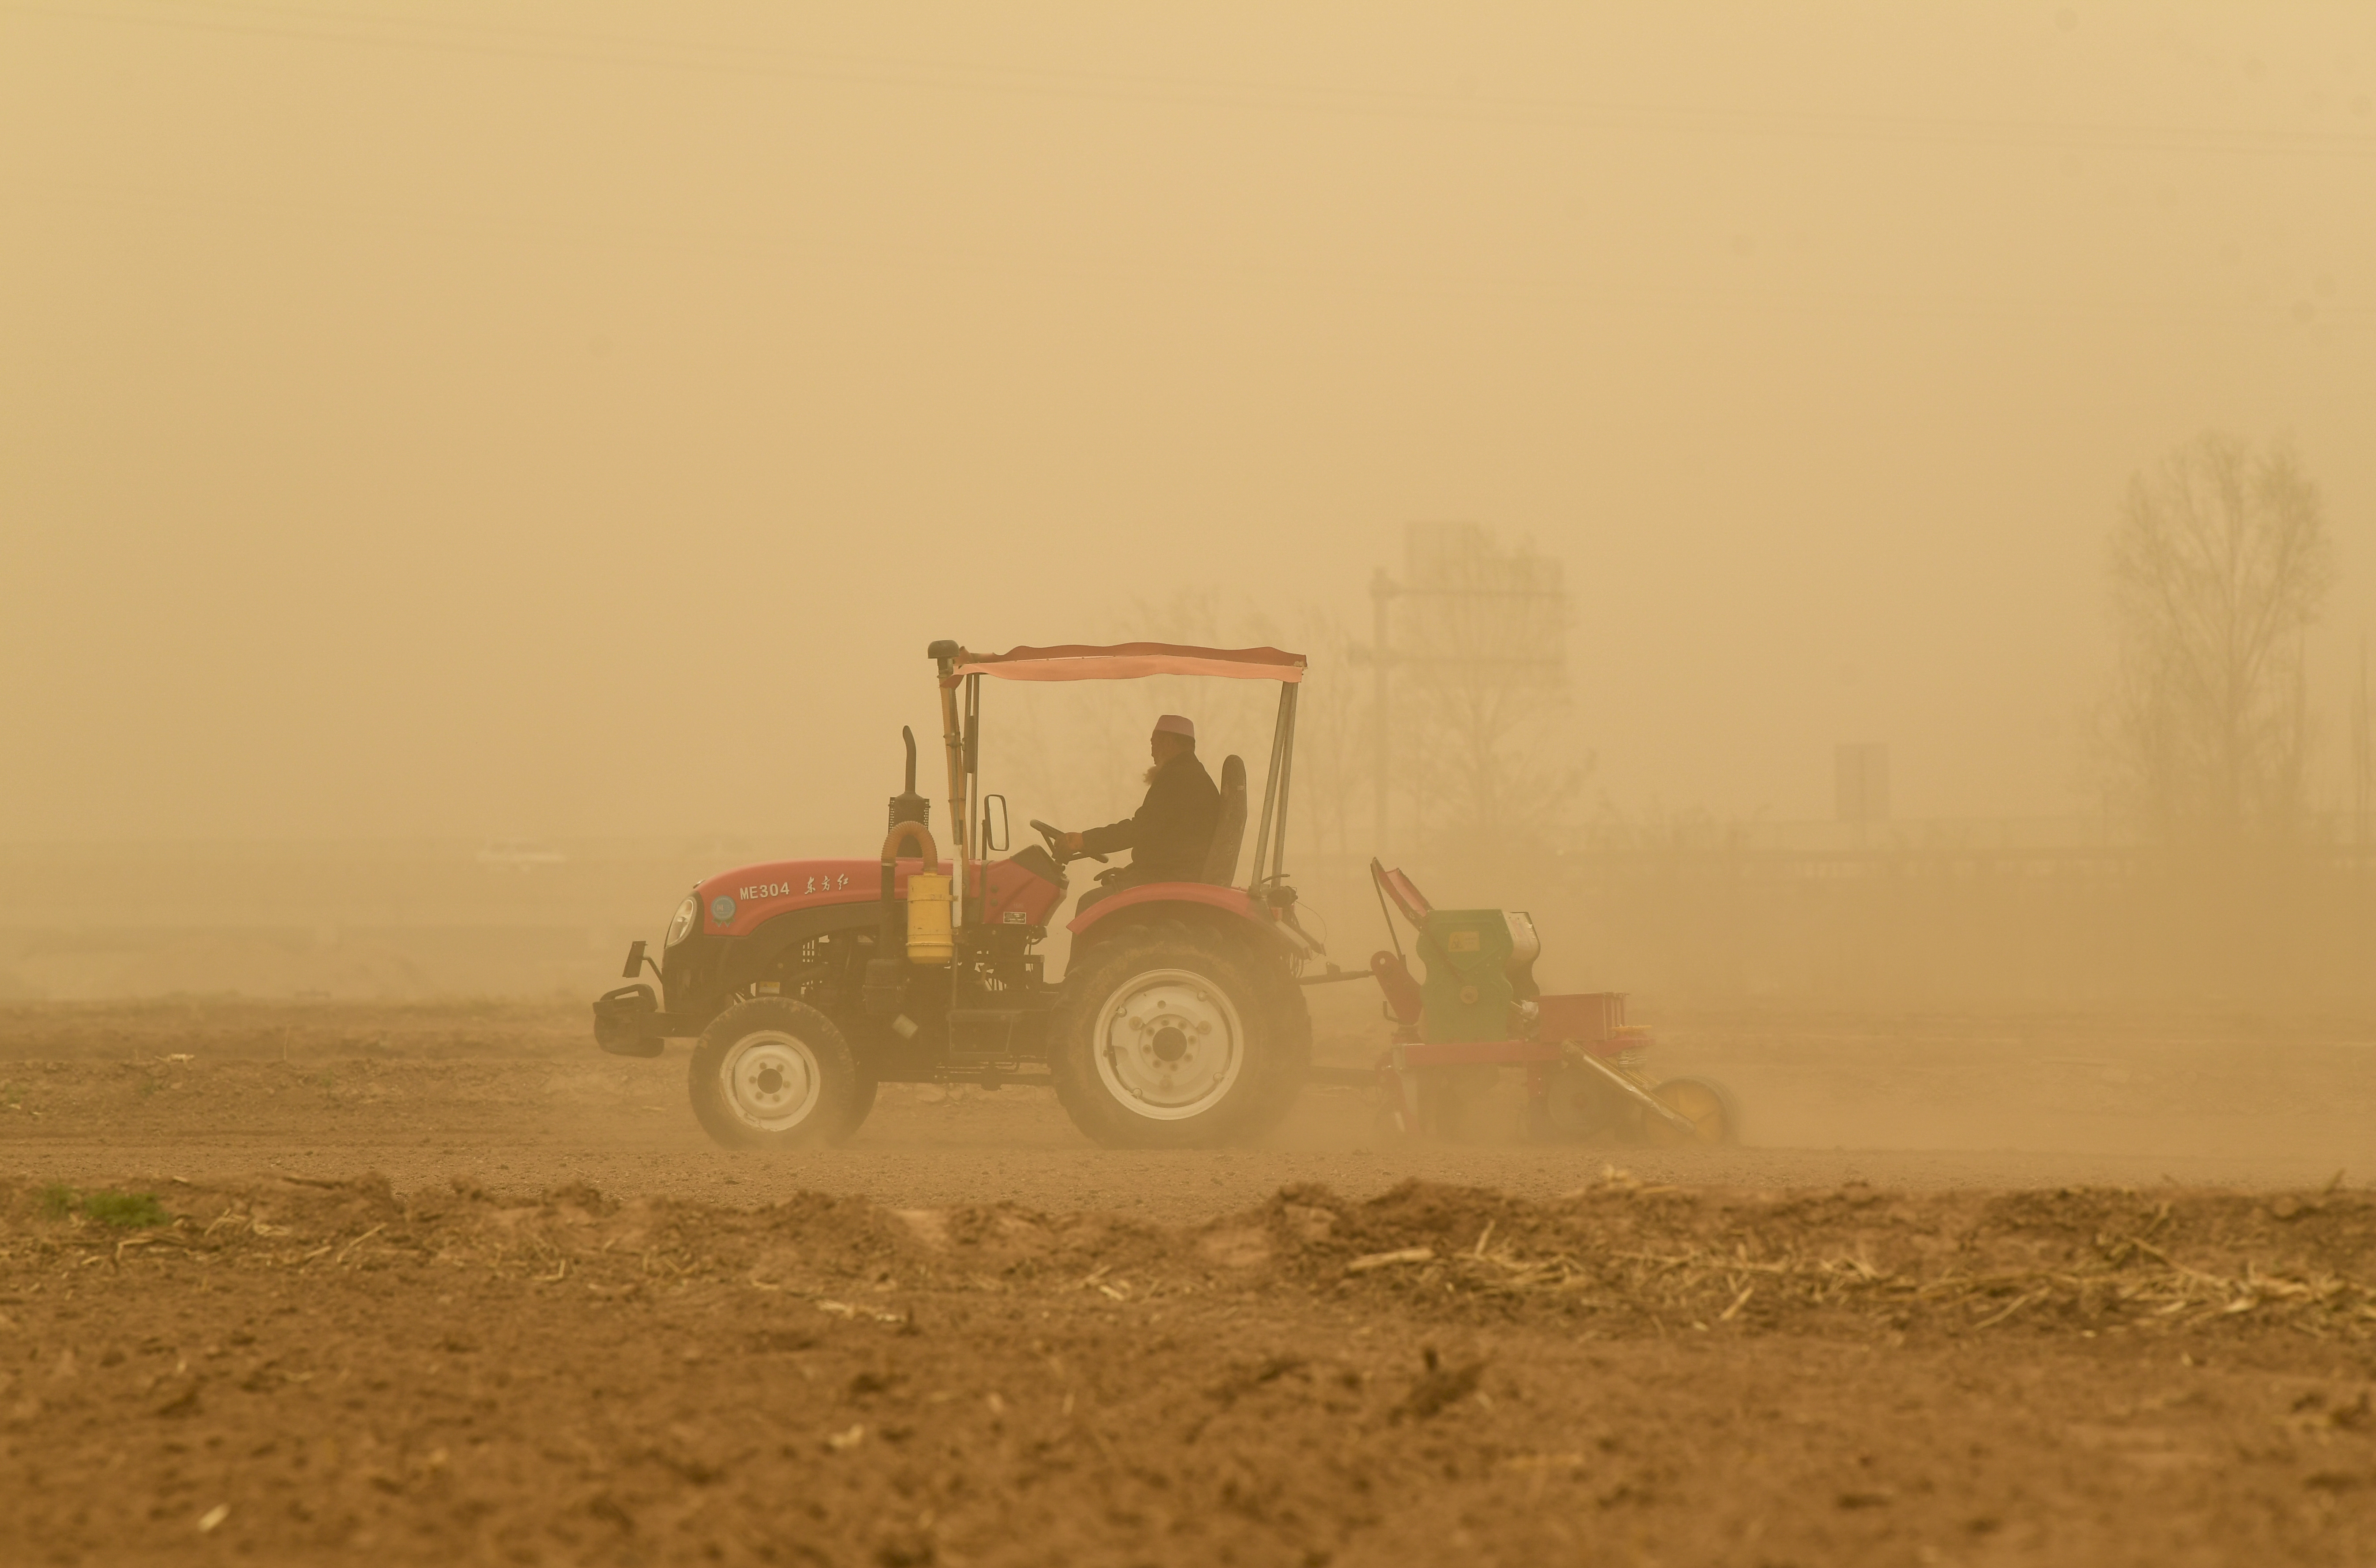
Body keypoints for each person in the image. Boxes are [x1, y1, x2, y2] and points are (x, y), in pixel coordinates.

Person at [1063, 714, 1219, 910]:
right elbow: (1166, 839)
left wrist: (1083, 840)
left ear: (1169, 742)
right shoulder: (1191, 775)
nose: (1152, 753)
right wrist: (1131, 873)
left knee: (1090, 904)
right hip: (1172, 874)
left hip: (1170, 879)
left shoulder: (1179, 778)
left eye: (1154, 744)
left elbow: (1140, 829)